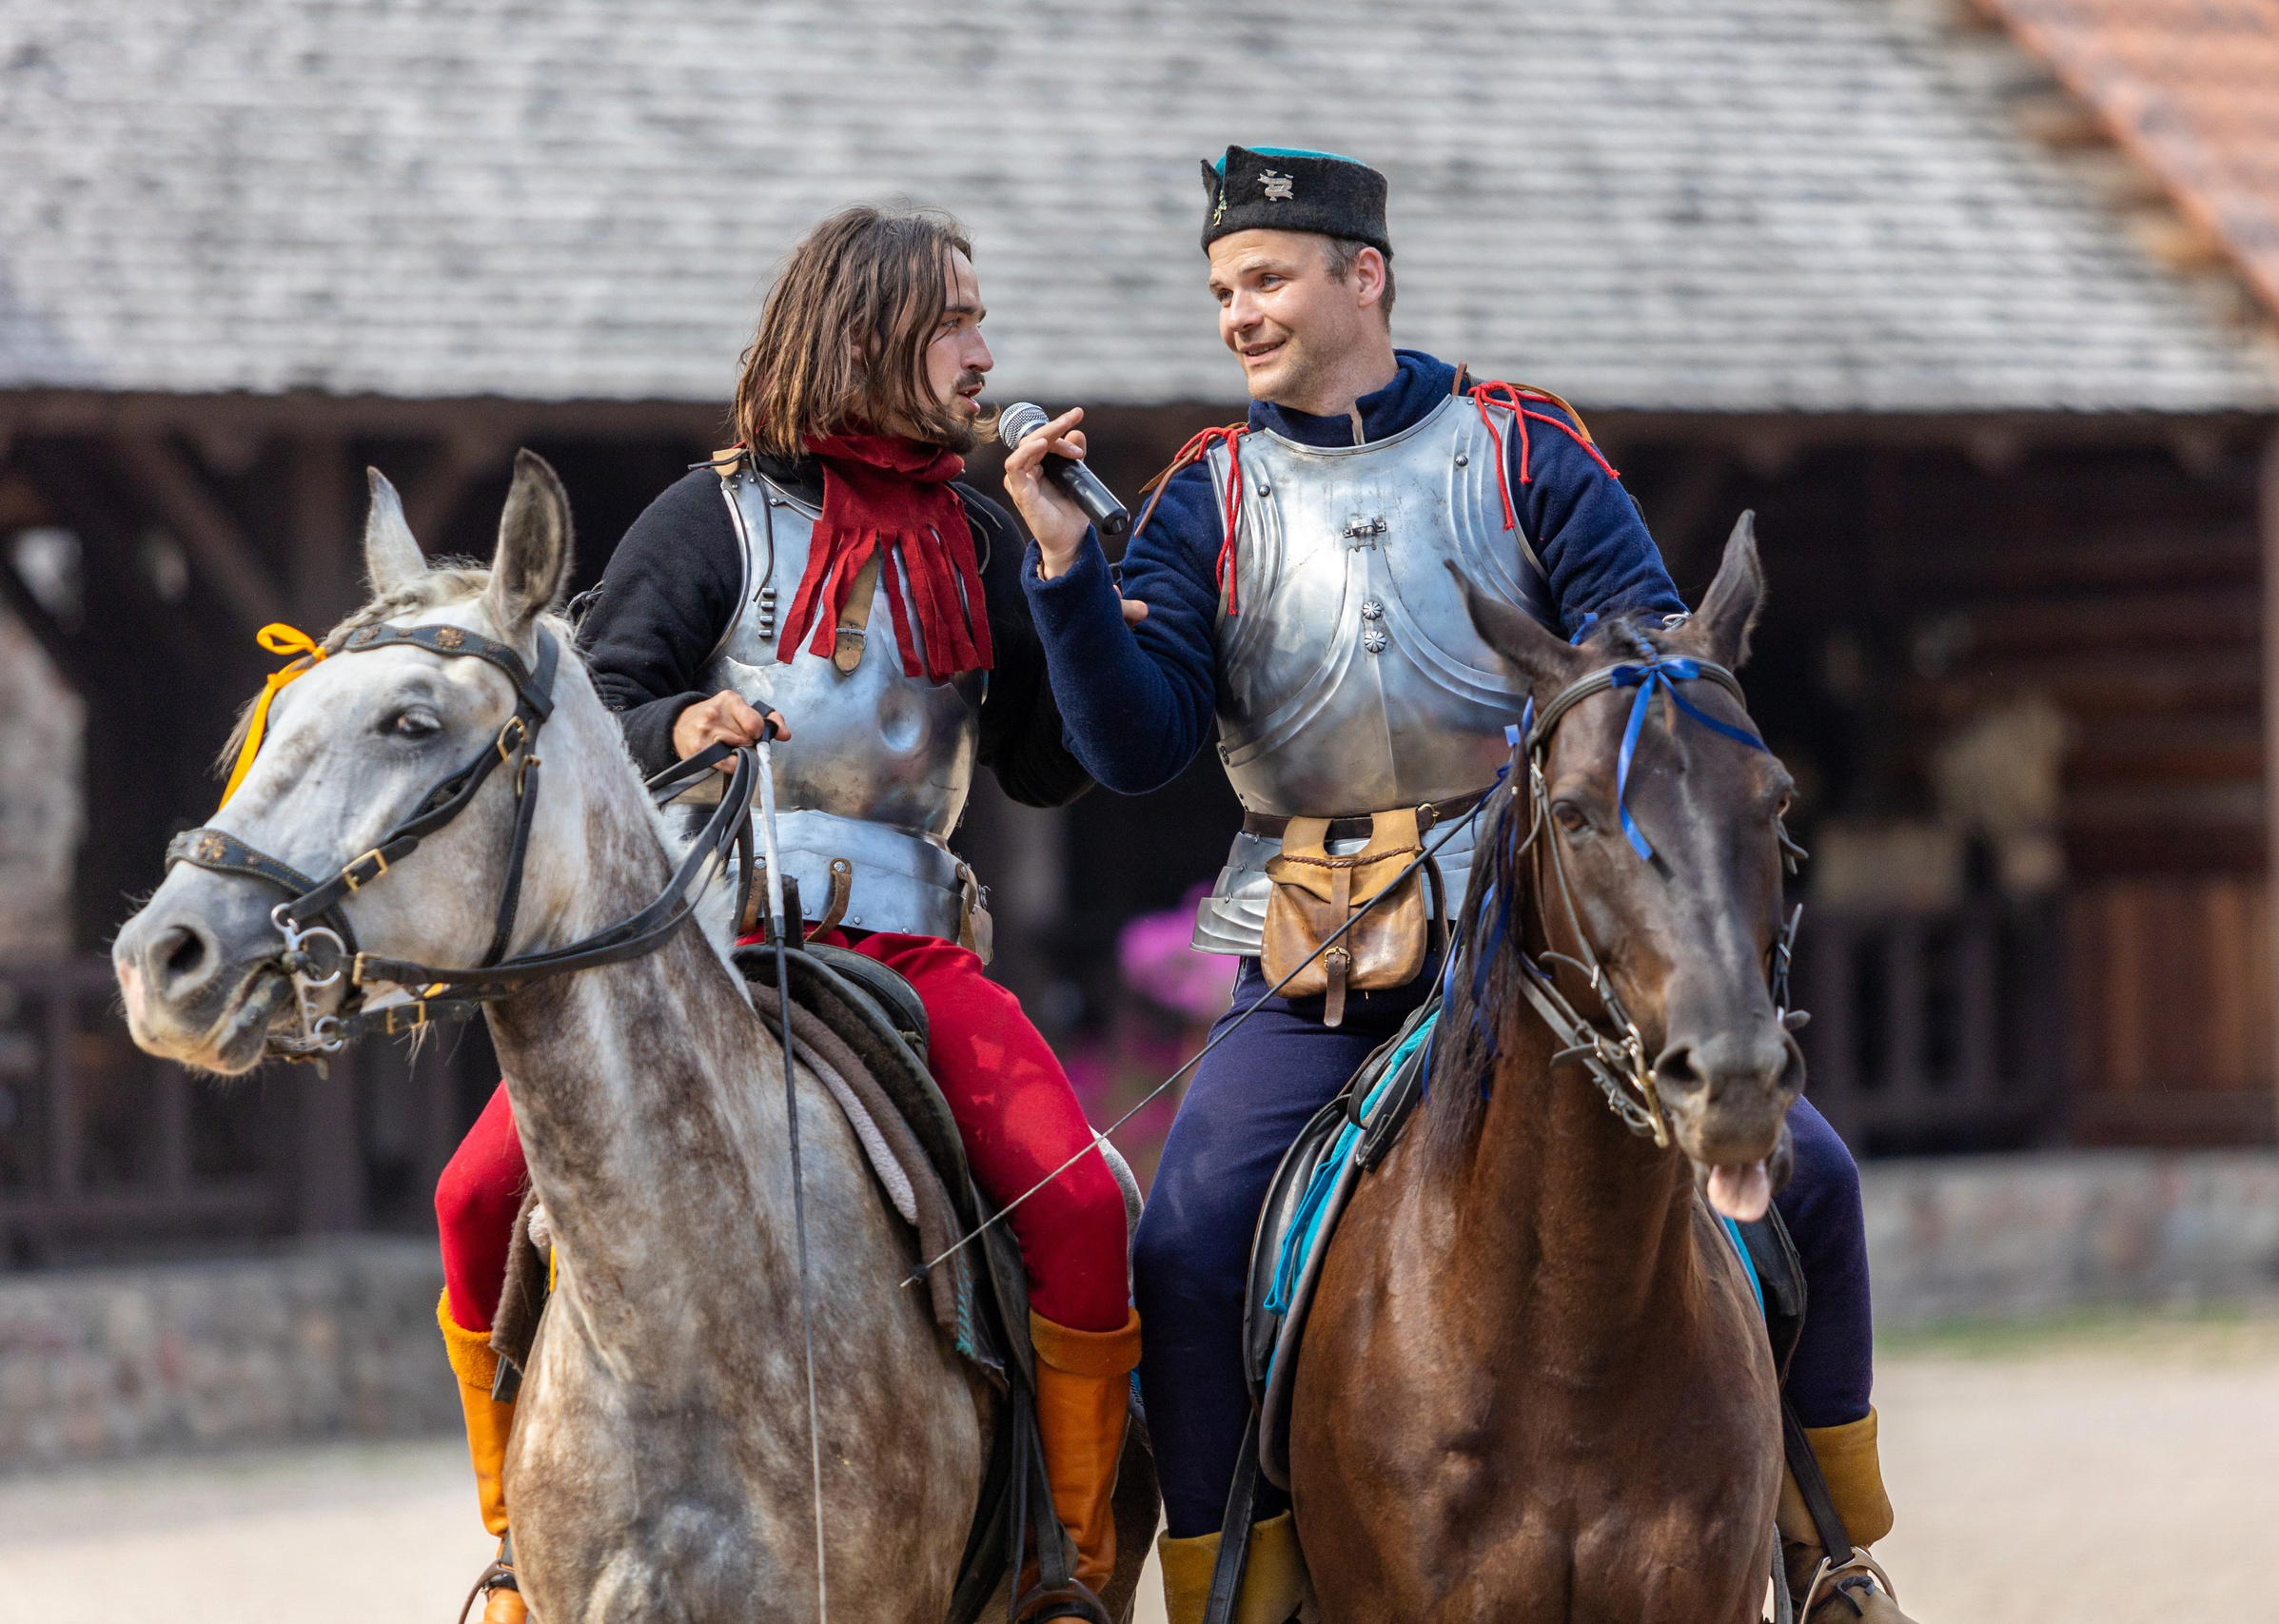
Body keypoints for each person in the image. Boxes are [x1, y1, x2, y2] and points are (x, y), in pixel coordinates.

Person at [1003, 147, 1913, 1623]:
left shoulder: (1526, 449)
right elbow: (1137, 741)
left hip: (1535, 943)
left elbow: (1644, 655)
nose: (1239, 314)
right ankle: (1234, 1586)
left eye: (1269, 280)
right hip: (1307, 953)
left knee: (1810, 1176)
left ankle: (1828, 1555)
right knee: (1186, 1239)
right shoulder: (1203, 495)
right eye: (1224, 290)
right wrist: (1062, 580)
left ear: (1364, 277)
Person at [432, 205, 1137, 1623]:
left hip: (913, 950)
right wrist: (682, 720)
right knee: (474, 1195)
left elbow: (1055, 768)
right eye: (957, 322)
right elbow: (593, 709)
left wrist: (1068, 573)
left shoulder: (984, 536)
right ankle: (517, 1552)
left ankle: (1067, 1564)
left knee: (1081, 1207)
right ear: (872, 332)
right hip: (708, 948)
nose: (985, 353)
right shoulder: (711, 517)